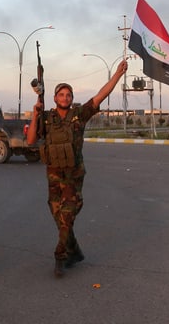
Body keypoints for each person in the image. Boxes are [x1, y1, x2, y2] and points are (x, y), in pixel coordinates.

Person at [27, 60, 128, 278]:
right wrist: (35, 114)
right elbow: (30, 140)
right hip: (54, 176)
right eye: (61, 95)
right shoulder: (46, 118)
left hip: (73, 176)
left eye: (68, 95)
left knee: (67, 216)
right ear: (54, 98)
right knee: (58, 217)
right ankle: (76, 252)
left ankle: (60, 256)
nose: (65, 98)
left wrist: (118, 75)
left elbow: (100, 95)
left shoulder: (79, 115)